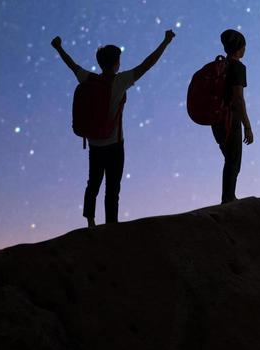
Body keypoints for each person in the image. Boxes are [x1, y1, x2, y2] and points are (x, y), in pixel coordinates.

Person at [51, 29, 175, 226]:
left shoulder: (88, 79)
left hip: (94, 144)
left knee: (93, 183)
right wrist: (166, 42)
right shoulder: (120, 81)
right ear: (116, 63)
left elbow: (72, 65)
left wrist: (59, 47)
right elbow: (147, 64)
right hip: (115, 144)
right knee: (113, 187)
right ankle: (111, 225)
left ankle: (90, 221)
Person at [214, 28, 253, 203]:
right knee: (233, 160)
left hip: (216, 118)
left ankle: (228, 196)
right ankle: (228, 198)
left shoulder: (220, 65)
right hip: (230, 119)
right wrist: (248, 126)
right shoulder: (237, 67)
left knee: (230, 158)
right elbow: (238, 99)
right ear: (239, 48)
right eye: (244, 46)